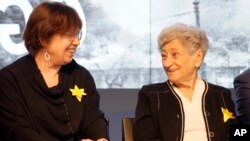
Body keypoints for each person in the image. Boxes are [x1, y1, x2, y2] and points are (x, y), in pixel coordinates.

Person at [0, 2, 109, 141]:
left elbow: (93, 117)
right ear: (44, 38)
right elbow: (18, 132)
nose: (76, 42)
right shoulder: (10, 80)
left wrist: (101, 138)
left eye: (77, 34)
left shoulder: (81, 76)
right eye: (69, 35)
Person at [133, 23, 237, 141]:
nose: (167, 63)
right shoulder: (150, 95)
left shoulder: (221, 95)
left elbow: (237, 134)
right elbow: (144, 138)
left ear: (198, 57)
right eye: (164, 56)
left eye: (175, 55)